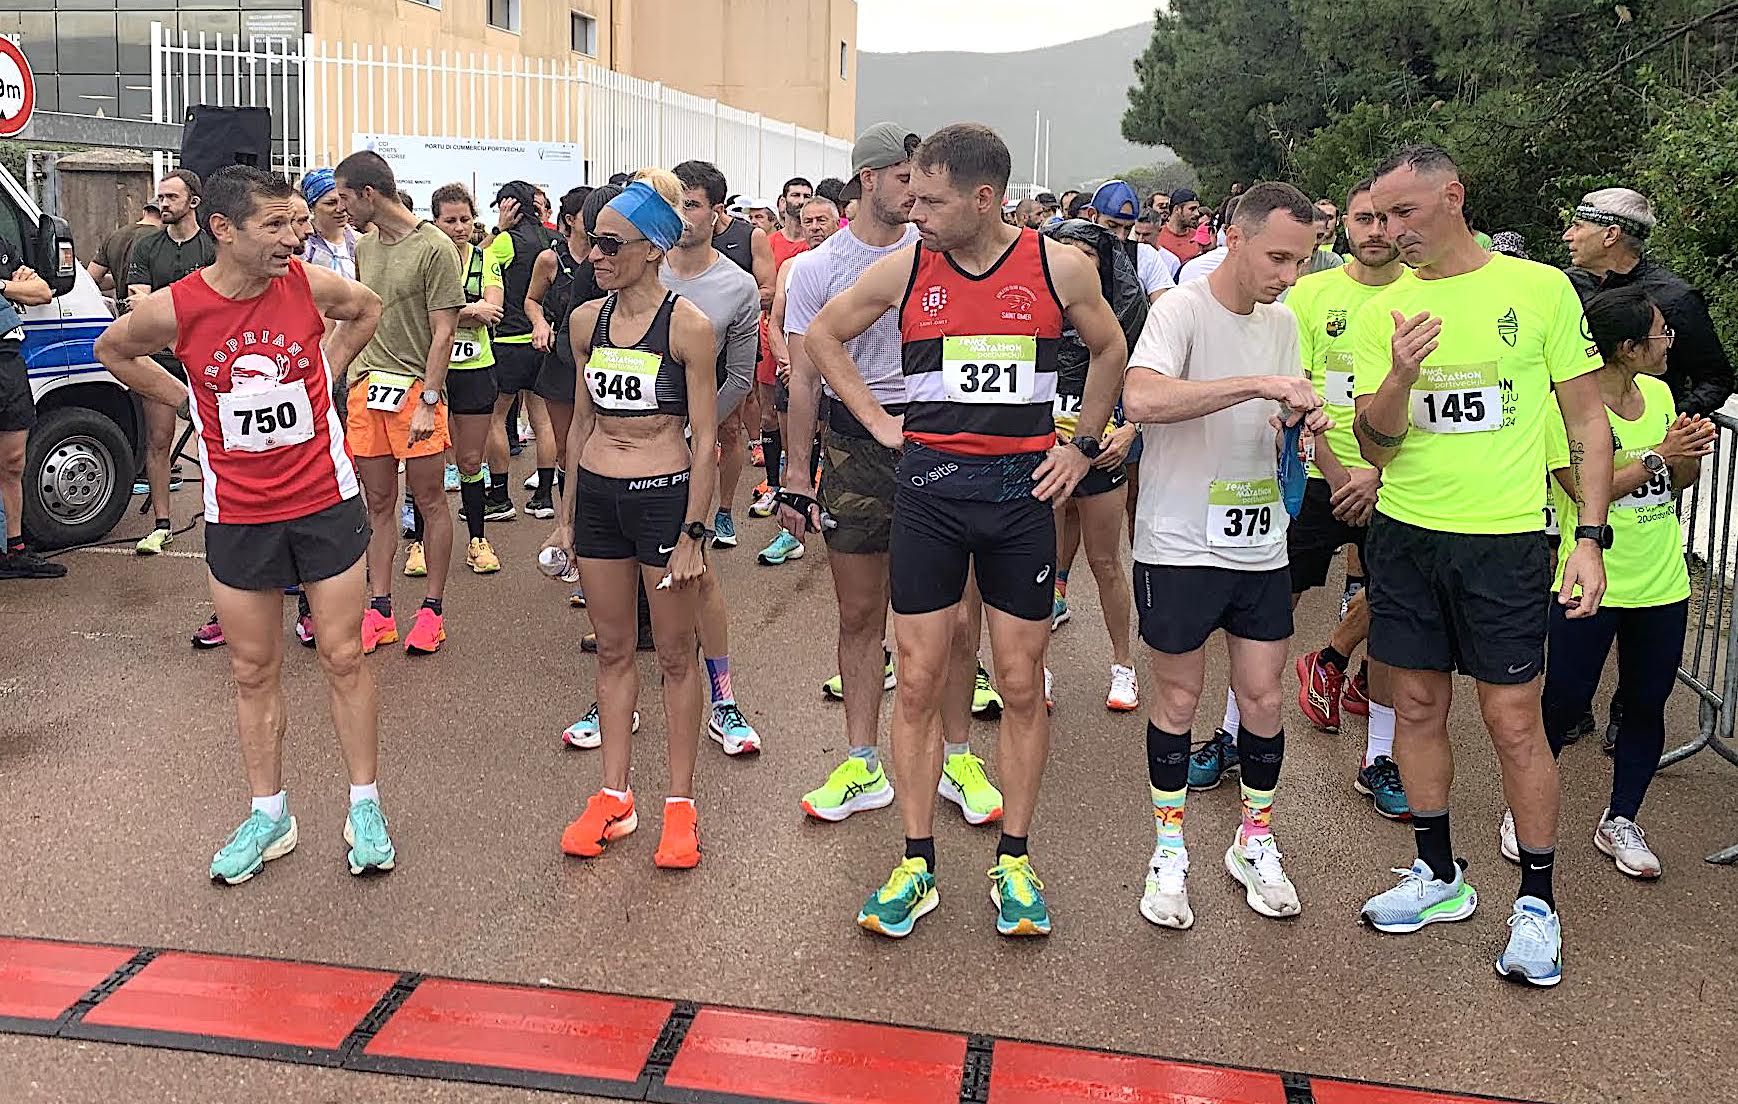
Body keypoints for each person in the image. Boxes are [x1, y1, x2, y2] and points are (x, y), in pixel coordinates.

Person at [805, 123, 1126, 939]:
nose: (914, 210)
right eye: (909, 193)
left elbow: (1111, 346)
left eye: (932, 199)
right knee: (915, 680)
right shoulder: (908, 265)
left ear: (984, 198)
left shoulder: (1058, 265)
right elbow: (820, 335)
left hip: (1021, 497)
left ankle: (1014, 859)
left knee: (1019, 684)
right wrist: (879, 421)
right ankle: (916, 861)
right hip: (932, 494)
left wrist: (1082, 447)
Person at [1352, 145, 1613, 989]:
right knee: (1418, 704)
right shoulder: (1383, 307)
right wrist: (1399, 374)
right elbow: (1374, 444)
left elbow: (1589, 424)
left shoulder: (1537, 289)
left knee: (1512, 720)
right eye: (1380, 219)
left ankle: (1537, 902)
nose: (1391, 234)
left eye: (1405, 215)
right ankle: (1437, 875)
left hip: (1503, 541)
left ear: (1454, 198)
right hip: (1405, 533)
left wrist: (1589, 538)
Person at [95, 164, 393, 883]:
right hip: (240, 512)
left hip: (324, 497)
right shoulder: (179, 306)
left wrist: (330, 364)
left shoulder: (306, 284)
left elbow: (368, 306)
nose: (295, 238)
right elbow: (113, 349)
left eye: (297, 223)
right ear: (224, 231)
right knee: (252, 668)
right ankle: (270, 815)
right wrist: (191, 399)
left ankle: (365, 804)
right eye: (276, 226)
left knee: (343, 655)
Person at [1120, 182, 1325, 931]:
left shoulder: (1285, 322)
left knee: (1264, 698)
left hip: (1258, 537)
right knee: (1177, 699)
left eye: (1300, 261)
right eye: (1277, 257)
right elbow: (1140, 400)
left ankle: (1254, 840)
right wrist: (1255, 383)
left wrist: (1300, 419)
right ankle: (1168, 849)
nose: (1288, 275)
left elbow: (1275, 411)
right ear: (1234, 239)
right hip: (1177, 541)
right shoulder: (1180, 308)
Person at [546, 175, 717, 870]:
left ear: (653, 249)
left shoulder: (688, 326)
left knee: (675, 656)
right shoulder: (587, 321)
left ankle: (680, 803)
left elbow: (706, 437)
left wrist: (694, 534)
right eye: (590, 241)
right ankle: (615, 796)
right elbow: (582, 420)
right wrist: (563, 519)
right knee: (613, 651)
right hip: (600, 502)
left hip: (662, 495)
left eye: (610, 243)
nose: (595, 254)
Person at [1234, 178, 1409, 821]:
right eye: (1361, 219)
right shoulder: (1310, 296)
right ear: (1345, 227)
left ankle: (1379, 757)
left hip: (1397, 482)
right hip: (1315, 476)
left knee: (1390, 612)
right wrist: (1340, 477)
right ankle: (1233, 731)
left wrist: (1378, 478)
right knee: (1271, 601)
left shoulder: (1424, 298)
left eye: (1384, 220)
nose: (1373, 231)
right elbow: (1295, 392)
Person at [1530, 286, 1711, 881]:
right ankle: (1526, 810)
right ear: (1627, 347)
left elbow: (1678, 479)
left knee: (1646, 701)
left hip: (1663, 581)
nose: (1670, 345)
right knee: (1562, 701)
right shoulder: (1569, 406)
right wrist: (1659, 455)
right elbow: (1583, 489)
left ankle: (1621, 818)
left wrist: (1688, 455)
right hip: (1589, 578)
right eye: (1662, 335)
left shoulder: (1659, 393)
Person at [334, 150, 465, 656]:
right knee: (379, 503)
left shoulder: (435, 247)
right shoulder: (365, 247)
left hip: (415, 390)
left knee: (430, 501)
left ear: (369, 193)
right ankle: (380, 608)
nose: (342, 207)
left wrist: (430, 399)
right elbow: (355, 319)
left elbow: (444, 332)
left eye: (345, 197)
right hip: (369, 389)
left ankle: (432, 610)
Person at [664, 160, 765, 755]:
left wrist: (695, 426)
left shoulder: (738, 286)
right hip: (633, 448)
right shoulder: (637, 269)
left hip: (696, 445)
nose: (683, 217)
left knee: (696, 572)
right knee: (624, 578)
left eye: (694, 204)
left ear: (717, 213)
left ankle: (722, 698)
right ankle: (614, 697)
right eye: (674, 204)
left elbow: (740, 374)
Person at [1041, 219, 1146, 712]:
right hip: (1043, 449)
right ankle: (1035, 667)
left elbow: (1147, 381)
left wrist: (1129, 430)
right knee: (1036, 564)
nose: (1075, 259)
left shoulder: (1126, 310)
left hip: (1100, 448)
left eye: (1087, 252)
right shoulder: (1032, 305)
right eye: (1063, 249)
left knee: (1105, 562)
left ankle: (1123, 666)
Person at [1563, 188, 1731, 417]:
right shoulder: (1565, 286)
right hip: (1576, 435)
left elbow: (1715, 379)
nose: (1567, 235)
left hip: (1655, 445)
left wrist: (1668, 419)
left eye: (1578, 226)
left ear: (1611, 235)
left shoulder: (1676, 299)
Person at [127, 169, 216, 553]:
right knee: (158, 440)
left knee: (214, 441)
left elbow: (221, 304)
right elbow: (139, 305)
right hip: (161, 358)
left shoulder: (212, 246)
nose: (163, 204)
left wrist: (166, 310)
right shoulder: (146, 246)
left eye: (171, 198)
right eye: (160, 197)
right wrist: (183, 315)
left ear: (193, 202)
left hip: (208, 359)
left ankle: (219, 518)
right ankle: (161, 524)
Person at [425, 182, 504, 575]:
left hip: (475, 367)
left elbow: (494, 309)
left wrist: (451, 310)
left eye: (464, 219)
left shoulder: (484, 258)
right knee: (426, 461)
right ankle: (421, 544)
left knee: (471, 458)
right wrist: (467, 310)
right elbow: (421, 314)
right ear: (434, 222)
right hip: (430, 369)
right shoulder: (426, 257)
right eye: (449, 220)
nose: (458, 227)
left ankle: (477, 539)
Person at [698, 163, 775, 549]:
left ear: (717, 208)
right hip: (684, 349)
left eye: (693, 204)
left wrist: (722, 307)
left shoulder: (751, 236)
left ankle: (724, 511)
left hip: (731, 345)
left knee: (727, 431)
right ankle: (688, 514)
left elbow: (768, 290)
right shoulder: (672, 242)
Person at [484, 180, 560, 520]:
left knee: (496, 418)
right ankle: (544, 497)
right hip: (544, 341)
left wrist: (498, 228)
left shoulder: (505, 241)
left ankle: (499, 497)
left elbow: (475, 265)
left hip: (508, 341)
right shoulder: (551, 240)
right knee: (542, 419)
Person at [1, 228, 63, 579]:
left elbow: (42, 291)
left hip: (8, 359)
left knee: (12, 461)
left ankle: (14, 549)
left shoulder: (2, 245)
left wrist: (2, 285)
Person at [1081, 180, 1177, 301]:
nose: (1121, 236)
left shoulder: (1145, 256)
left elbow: (1164, 307)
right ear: (1092, 215)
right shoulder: (1072, 252)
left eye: (1128, 228)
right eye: (1112, 225)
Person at [87, 203, 161, 310]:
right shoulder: (161, 239)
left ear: (144, 212)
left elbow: (92, 278)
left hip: (122, 314)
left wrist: (120, 277)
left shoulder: (115, 236)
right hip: (150, 314)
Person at [300, 168, 357, 281]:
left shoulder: (360, 242)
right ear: (311, 206)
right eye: (331, 203)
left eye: (344, 200)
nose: (340, 208)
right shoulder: (301, 245)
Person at [1154, 188, 1204, 263]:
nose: (1197, 214)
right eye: (1192, 209)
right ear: (1177, 209)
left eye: (1197, 209)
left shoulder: (1199, 237)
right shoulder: (1157, 236)